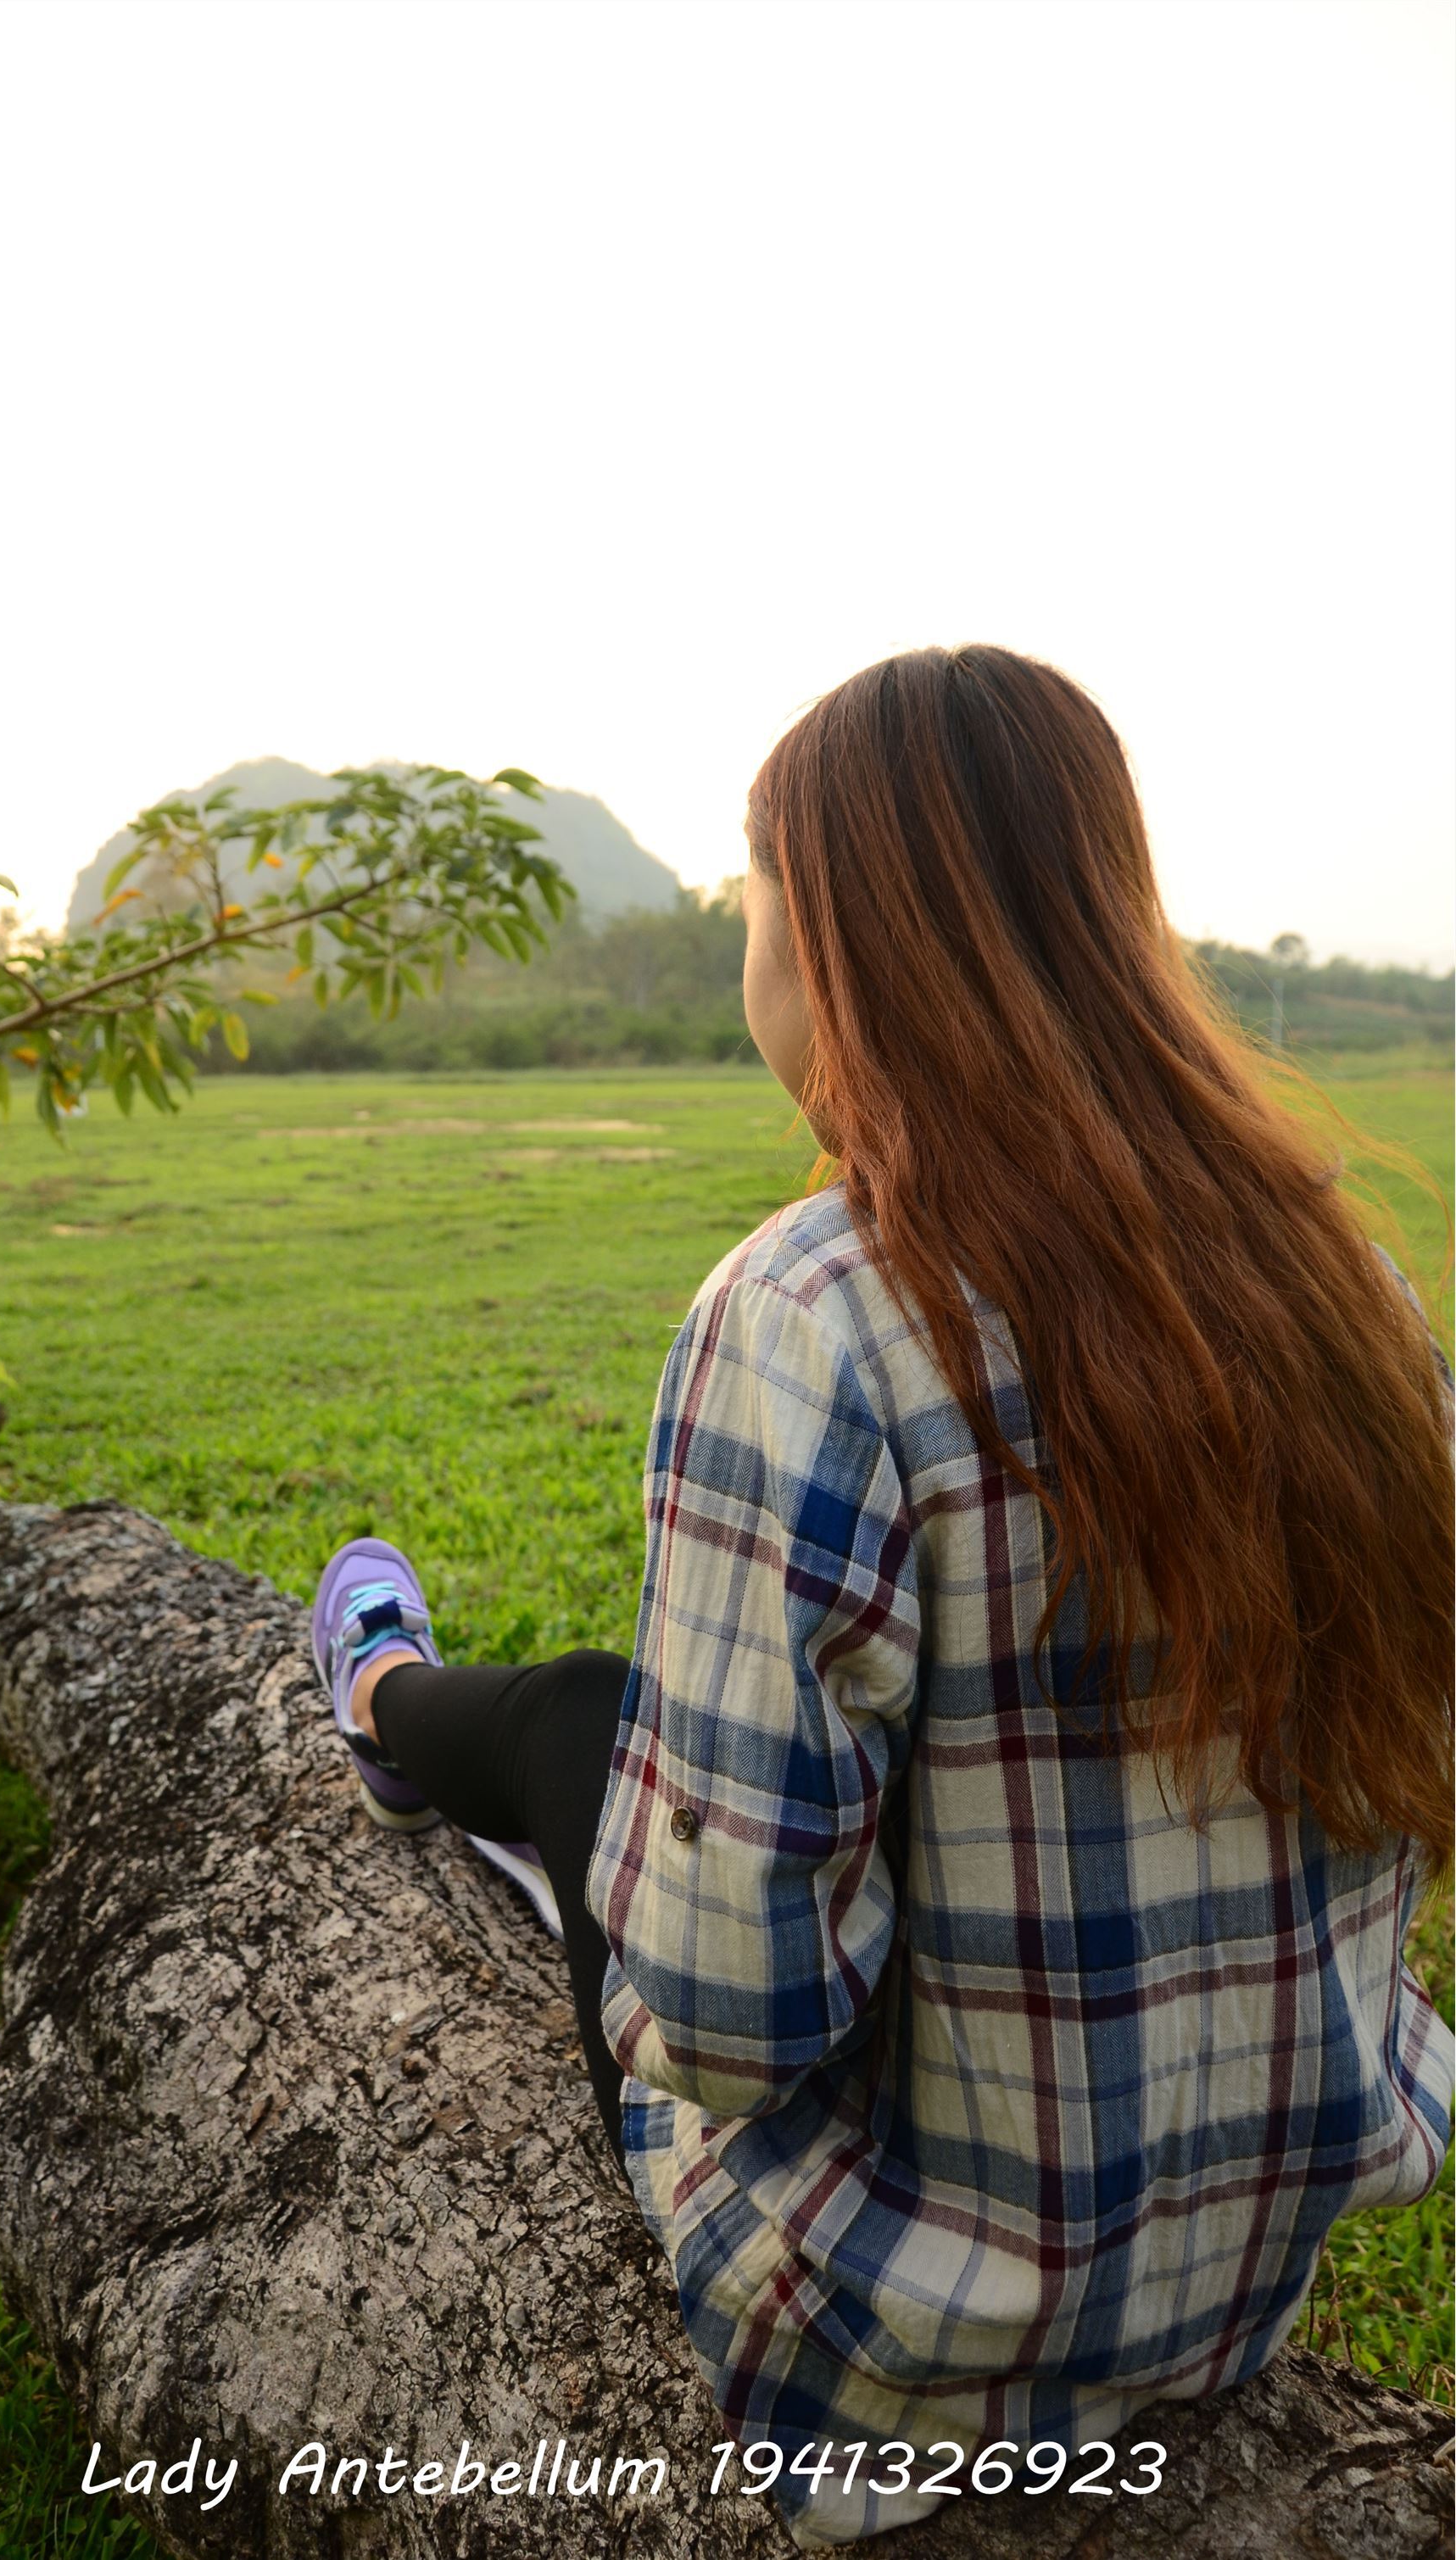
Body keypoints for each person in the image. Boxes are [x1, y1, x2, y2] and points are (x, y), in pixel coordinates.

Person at [310, 644, 1454, 2548]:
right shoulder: (1350, 1292)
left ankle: (376, 1701)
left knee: (585, 1725)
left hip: (887, 2347)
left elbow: (734, 2018)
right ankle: (407, 1708)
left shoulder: (811, 1314)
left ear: (826, 938)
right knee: (612, 1722)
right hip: (1241, 2288)